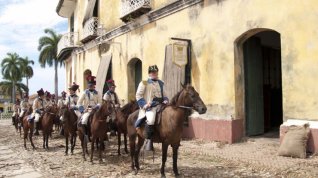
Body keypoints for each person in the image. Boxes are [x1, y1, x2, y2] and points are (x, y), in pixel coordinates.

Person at [135, 65, 169, 151]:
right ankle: (148, 140)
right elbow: (138, 95)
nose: (154, 73)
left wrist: (165, 100)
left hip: (161, 104)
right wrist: (144, 105)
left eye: (155, 72)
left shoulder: (161, 82)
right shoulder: (144, 82)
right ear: (149, 73)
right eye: (152, 72)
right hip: (150, 105)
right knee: (150, 119)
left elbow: (165, 95)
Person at [77, 76, 101, 141]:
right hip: (87, 110)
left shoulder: (98, 93)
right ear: (88, 85)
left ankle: (103, 135)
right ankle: (86, 135)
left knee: (104, 120)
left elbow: (100, 102)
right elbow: (79, 102)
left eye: (92, 85)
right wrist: (82, 110)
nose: (91, 86)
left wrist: (97, 106)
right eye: (89, 85)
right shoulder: (84, 93)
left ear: (94, 85)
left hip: (96, 110)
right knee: (84, 120)